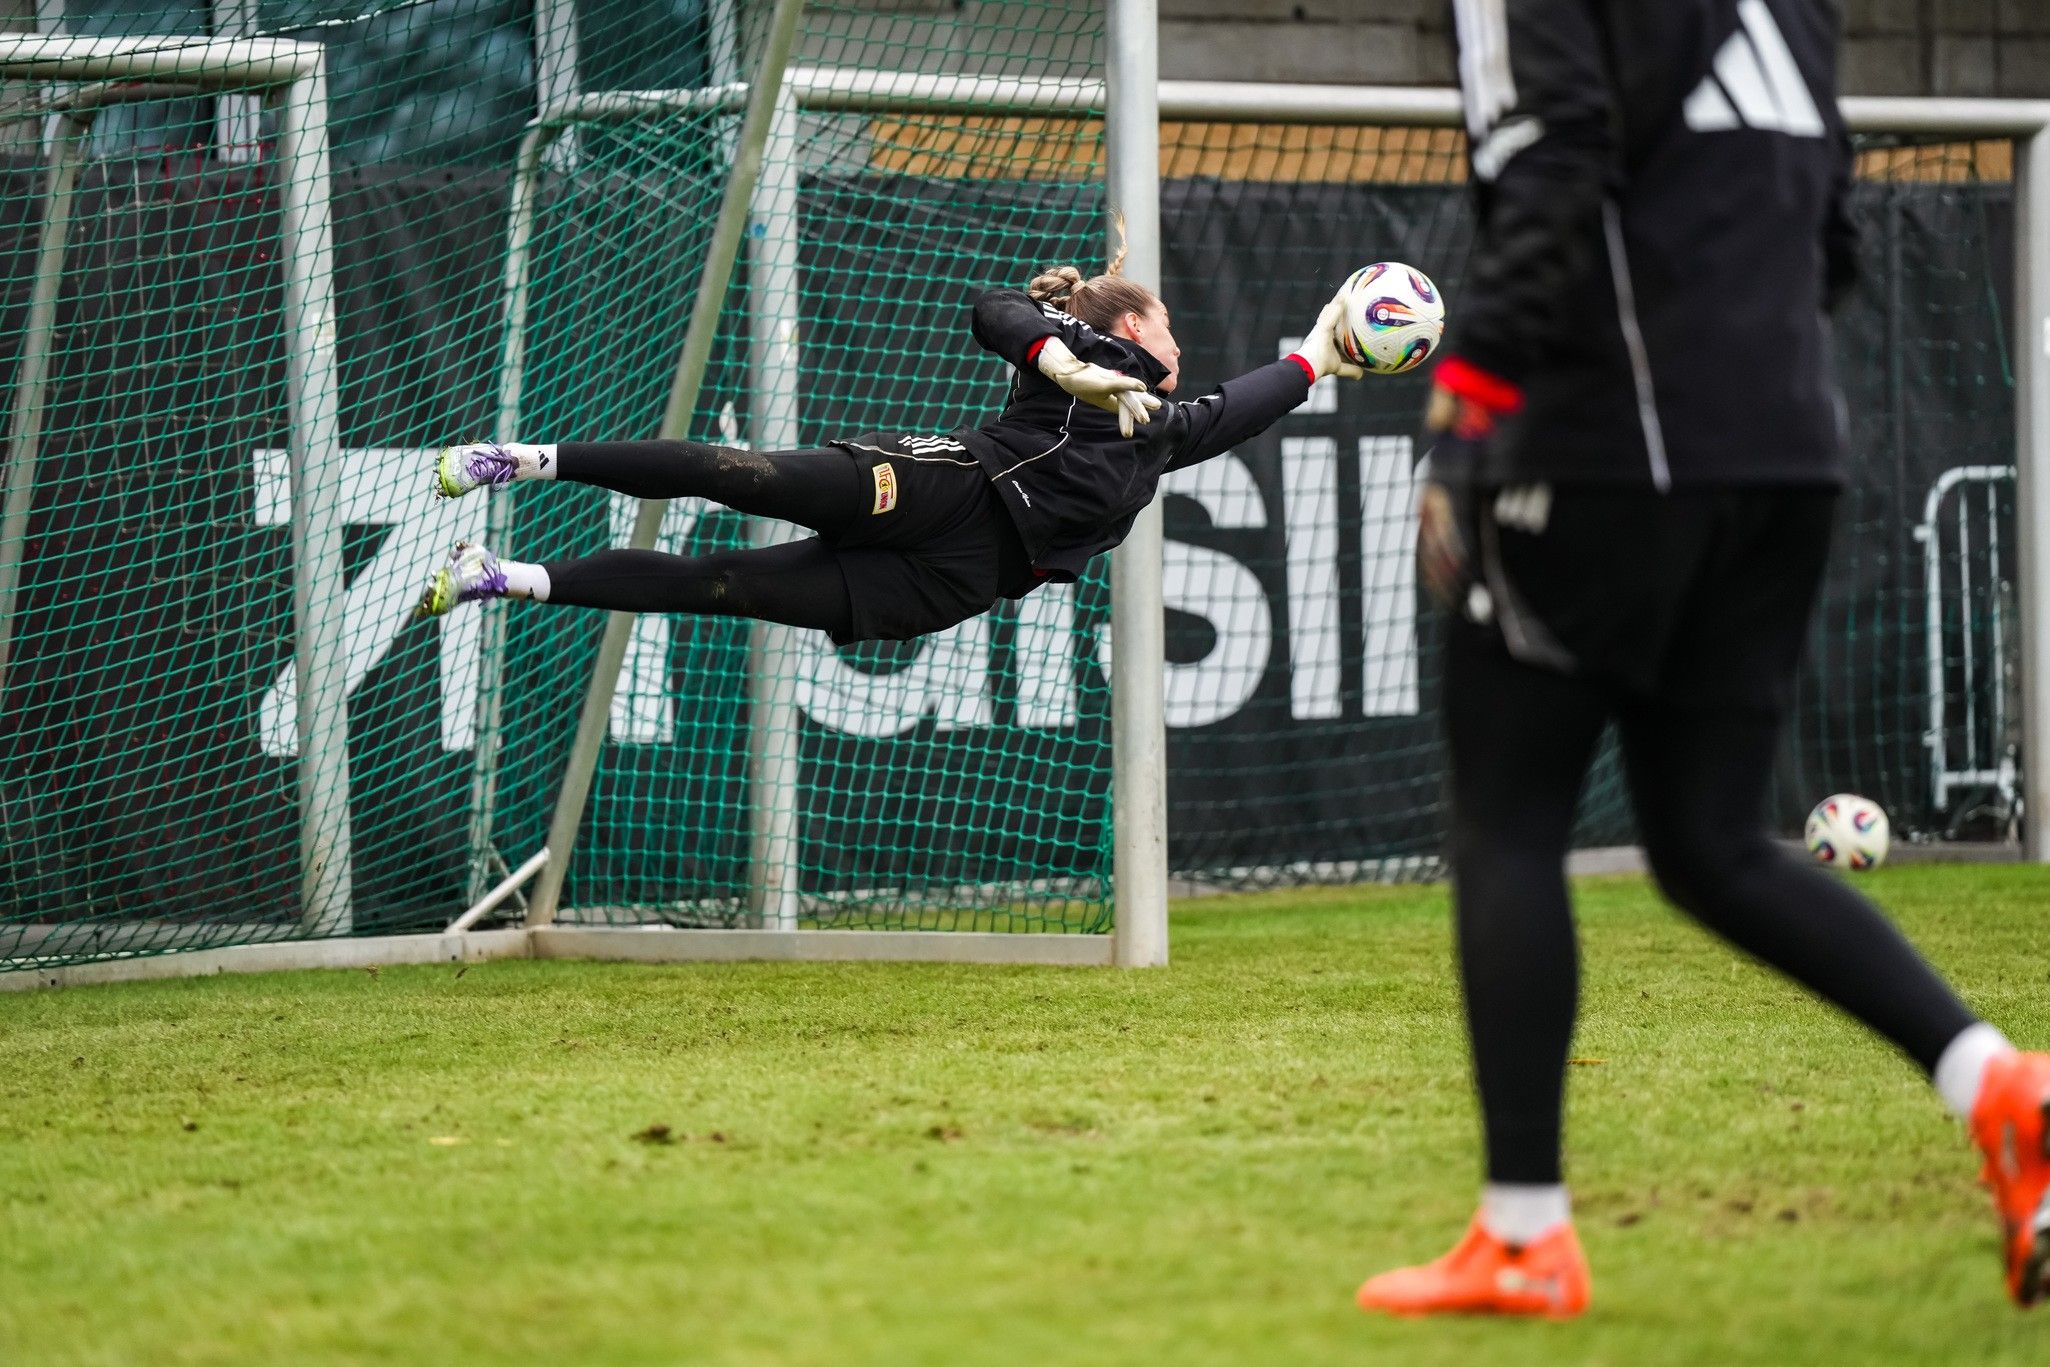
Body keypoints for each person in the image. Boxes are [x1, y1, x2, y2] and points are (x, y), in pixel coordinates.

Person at [1353, 0, 2050, 1318]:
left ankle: (1522, 1233)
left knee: (1506, 815)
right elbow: (1830, 228)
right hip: (1789, 448)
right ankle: (1998, 1085)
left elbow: (1553, 160)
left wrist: (1475, 402)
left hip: (1610, 445)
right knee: (1709, 840)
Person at [412, 247, 1362, 644]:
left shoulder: (1160, 429)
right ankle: (518, 460)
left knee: (727, 586)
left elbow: (1240, 404)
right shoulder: (1082, 349)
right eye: (1165, 331)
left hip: (962, 580)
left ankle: (500, 576)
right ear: (1125, 329)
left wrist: (1318, 354)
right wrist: (1053, 348)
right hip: (947, 489)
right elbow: (992, 310)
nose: (1178, 347)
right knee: (746, 477)